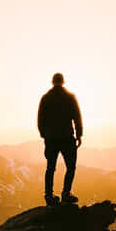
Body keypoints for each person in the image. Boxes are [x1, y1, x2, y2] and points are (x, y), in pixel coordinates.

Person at [37, 72, 83, 206]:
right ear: (63, 82)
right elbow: (77, 117)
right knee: (71, 166)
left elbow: (40, 120)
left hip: (51, 138)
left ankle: (49, 195)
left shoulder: (45, 98)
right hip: (67, 137)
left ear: (52, 82)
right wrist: (79, 135)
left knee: (50, 167)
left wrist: (44, 135)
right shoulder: (70, 97)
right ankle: (66, 193)